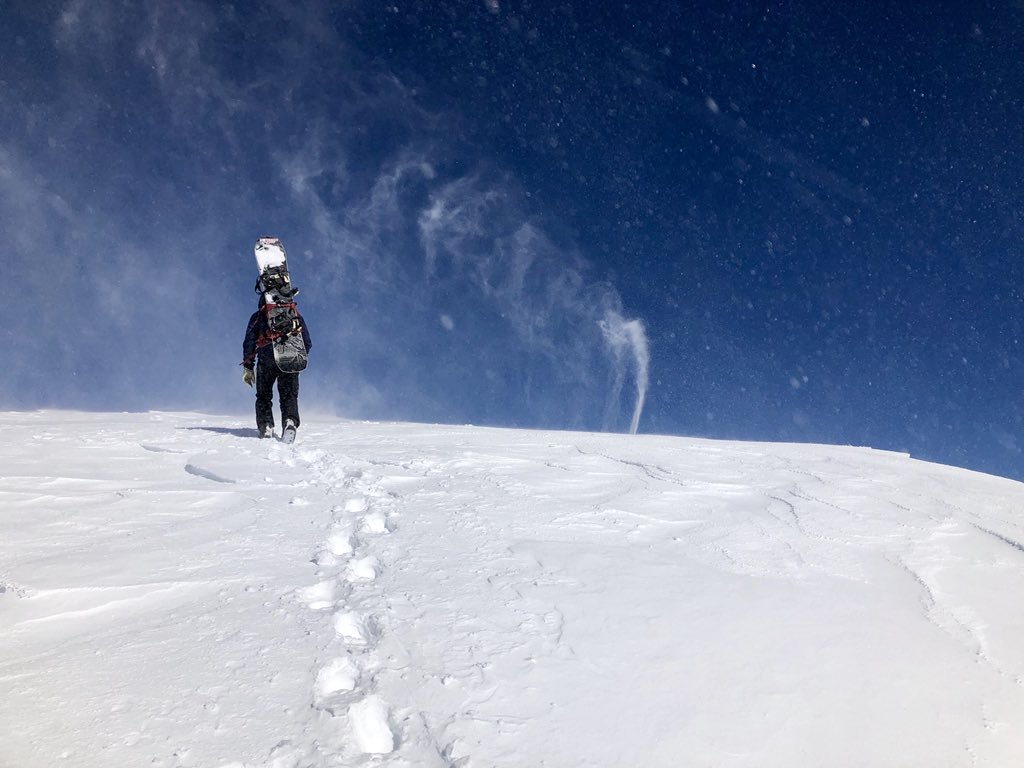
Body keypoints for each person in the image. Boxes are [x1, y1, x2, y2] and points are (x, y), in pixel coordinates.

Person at [241, 296, 312, 439]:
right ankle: (290, 421)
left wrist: (248, 367)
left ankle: (266, 425)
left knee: (264, 396)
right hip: (290, 358)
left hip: (266, 359)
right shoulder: (294, 314)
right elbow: (307, 342)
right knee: (289, 396)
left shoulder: (258, 316)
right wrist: (297, 360)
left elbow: (249, 342)